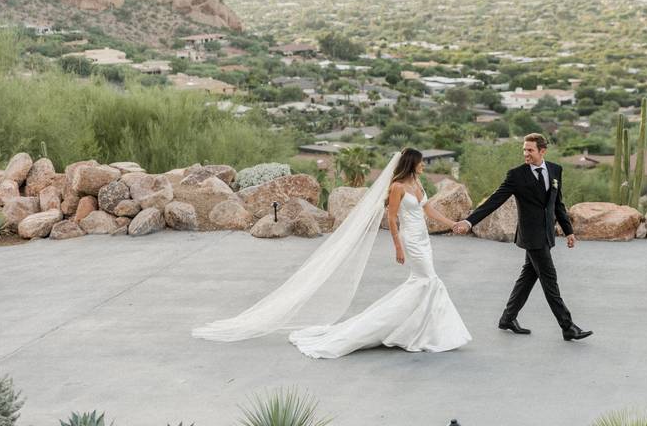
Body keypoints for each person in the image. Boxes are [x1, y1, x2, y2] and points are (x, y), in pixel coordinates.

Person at [193, 148, 471, 358]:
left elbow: (429, 210)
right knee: (427, 281)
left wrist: (453, 224)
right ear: (413, 162)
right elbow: (392, 217)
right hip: (410, 239)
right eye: (421, 162)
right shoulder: (398, 187)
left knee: (423, 283)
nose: (424, 165)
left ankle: (414, 328)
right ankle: (417, 330)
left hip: (424, 238)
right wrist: (398, 246)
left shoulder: (418, 184)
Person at [453, 133, 592, 341]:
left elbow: (557, 204)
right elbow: (494, 200)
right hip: (531, 236)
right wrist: (469, 221)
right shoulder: (516, 175)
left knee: (528, 277)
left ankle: (507, 318)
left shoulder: (555, 170)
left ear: (542, 151)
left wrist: (568, 230)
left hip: (546, 234)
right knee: (549, 280)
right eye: (524, 150)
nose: (526, 154)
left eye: (530, 150)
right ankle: (567, 326)